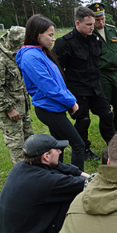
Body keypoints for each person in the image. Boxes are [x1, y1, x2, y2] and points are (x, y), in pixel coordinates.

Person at [0, 134, 88, 233]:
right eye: (57, 149)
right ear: (46, 156)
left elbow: (59, 166)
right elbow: (87, 184)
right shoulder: (49, 181)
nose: (60, 151)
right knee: (73, 194)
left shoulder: (19, 166)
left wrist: (79, 172)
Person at [16, 14, 85, 170]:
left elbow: (58, 83)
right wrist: (71, 102)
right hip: (49, 109)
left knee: (58, 146)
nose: (53, 39)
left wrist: (70, 100)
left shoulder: (41, 53)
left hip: (55, 107)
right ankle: (78, 183)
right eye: (50, 35)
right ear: (37, 34)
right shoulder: (31, 57)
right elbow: (49, 87)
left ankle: (55, 176)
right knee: (78, 144)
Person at [53, 6, 114, 161]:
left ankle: (113, 145)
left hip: (95, 87)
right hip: (77, 89)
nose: (92, 27)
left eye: (93, 24)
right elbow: (57, 69)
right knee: (83, 120)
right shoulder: (64, 43)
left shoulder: (95, 40)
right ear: (77, 23)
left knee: (107, 114)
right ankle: (83, 148)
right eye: (88, 24)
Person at [0, 26, 34, 164]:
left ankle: (35, 172)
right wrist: (9, 108)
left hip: (22, 106)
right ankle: (23, 177)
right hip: (9, 110)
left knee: (31, 142)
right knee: (17, 146)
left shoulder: (15, 53)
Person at [88, 3, 117, 133]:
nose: (101, 22)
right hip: (102, 73)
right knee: (105, 104)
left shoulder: (111, 30)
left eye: (102, 18)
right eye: (97, 20)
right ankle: (108, 130)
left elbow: (115, 49)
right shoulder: (89, 33)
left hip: (115, 72)